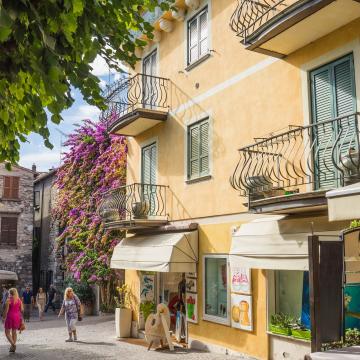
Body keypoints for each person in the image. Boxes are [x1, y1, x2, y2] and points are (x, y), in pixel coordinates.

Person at [2, 288, 24, 353]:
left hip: (10, 316)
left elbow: (6, 311)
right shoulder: (19, 300)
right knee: (14, 332)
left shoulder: (8, 300)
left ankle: (13, 344)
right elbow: (22, 310)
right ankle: (13, 348)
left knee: (7, 332)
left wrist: (3, 318)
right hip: (17, 316)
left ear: (10, 293)